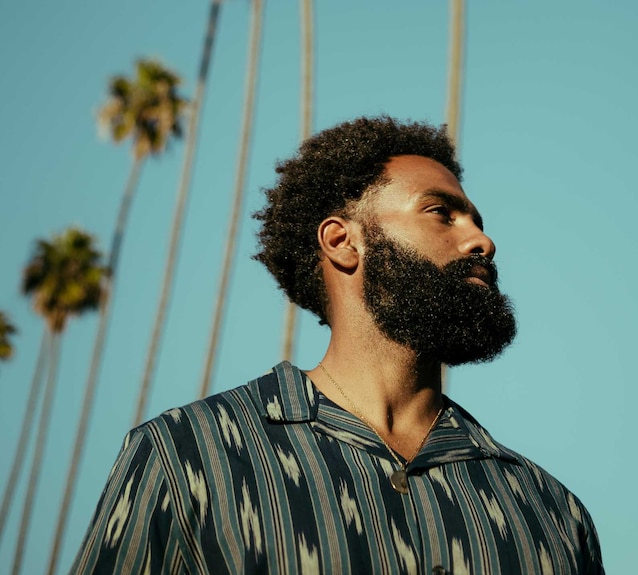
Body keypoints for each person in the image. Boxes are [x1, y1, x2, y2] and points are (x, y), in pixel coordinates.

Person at [71, 116, 604, 574]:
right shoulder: (187, 454)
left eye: (477, 222)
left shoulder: (551, 512)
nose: (481, 241)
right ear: (342, 241)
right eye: (441, 213)